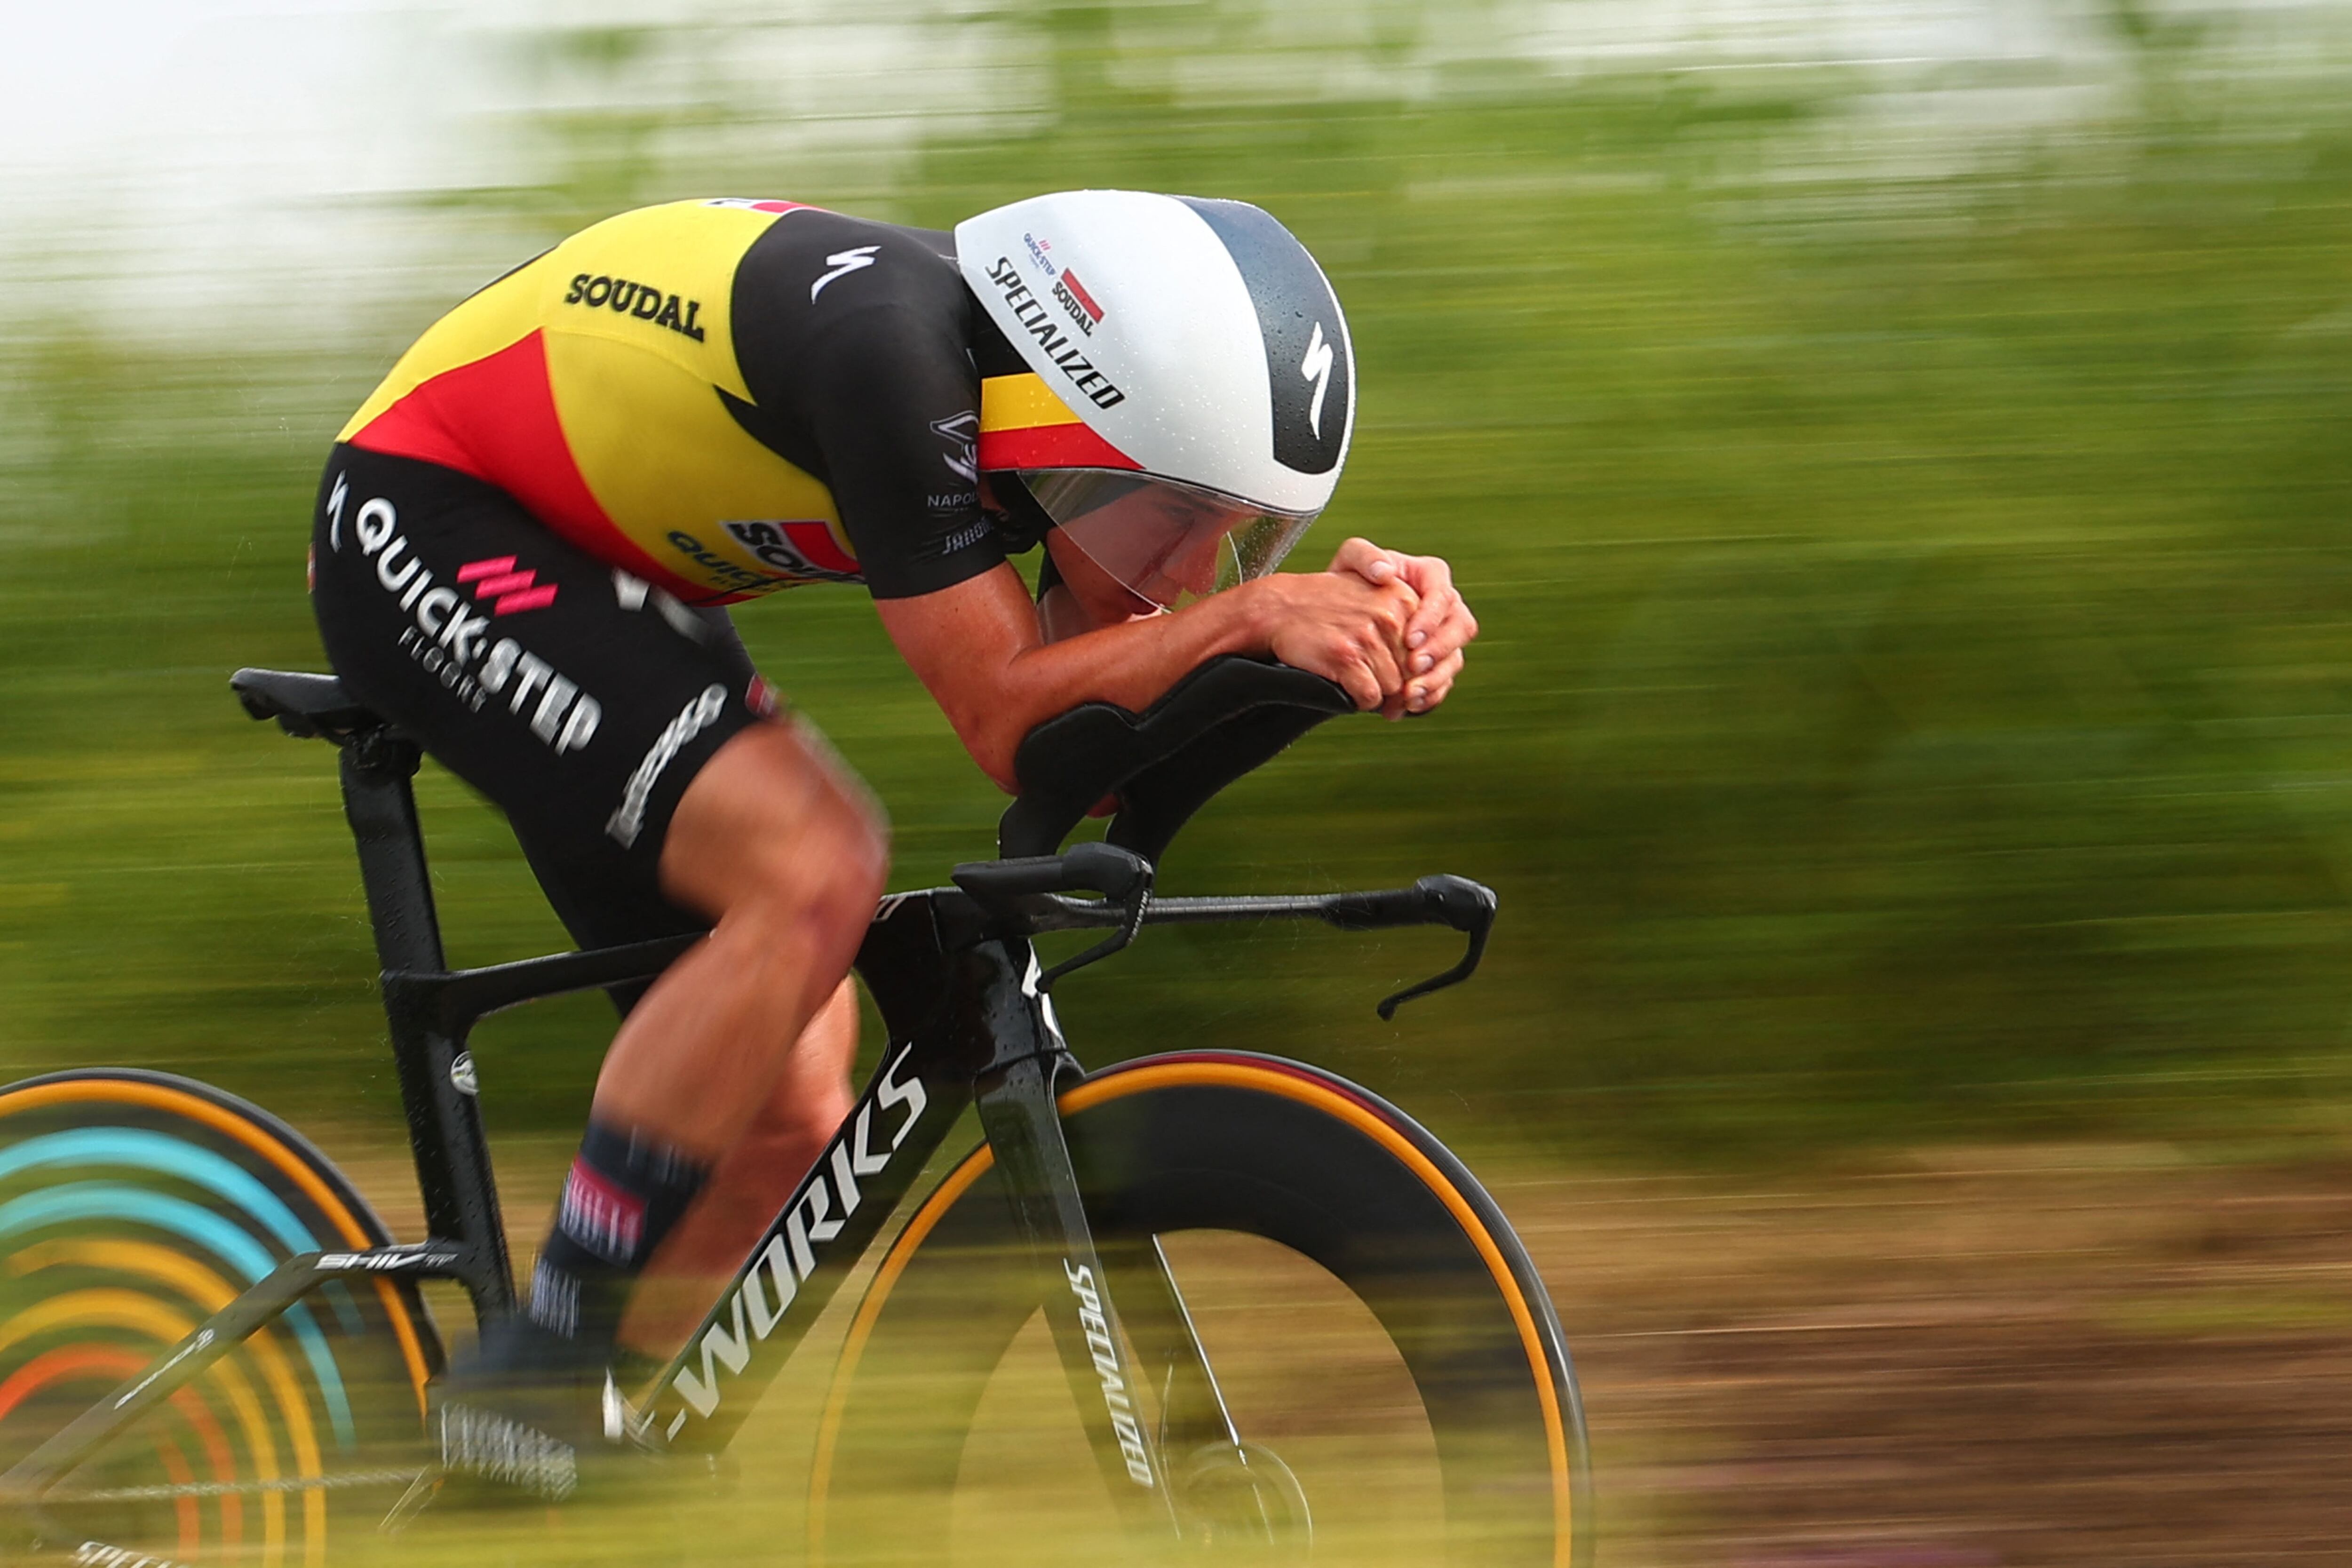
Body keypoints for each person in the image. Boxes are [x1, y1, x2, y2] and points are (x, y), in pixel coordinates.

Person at [304, 188, 1478, 1484]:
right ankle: (542, 1364)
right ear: (1080, 428)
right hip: (426, 509)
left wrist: (1348, 650)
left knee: (795, 1095)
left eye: (1248, 539)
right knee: (816, 867)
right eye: (1184, 519)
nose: (1202, 572)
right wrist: (1252, 627)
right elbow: (1005, 722)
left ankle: (561, 1477)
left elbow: (1089, 760)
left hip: (601, 561)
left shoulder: (1032, 425)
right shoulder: (896, 360)